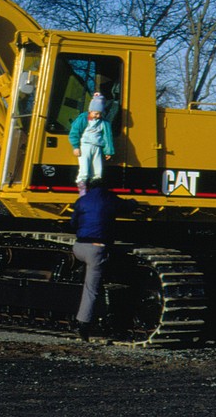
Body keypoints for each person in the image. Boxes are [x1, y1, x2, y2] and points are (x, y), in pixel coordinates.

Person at [70, 179, 137, 342]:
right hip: (96, 249)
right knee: (91, 289)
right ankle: (83, 325)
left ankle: (79, 273)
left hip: (78, 248)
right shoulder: (109, 199)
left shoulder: (82, 200)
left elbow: (73, 223)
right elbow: (128, 207)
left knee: (89, 275)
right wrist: (134, 201)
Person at [68, 92, 114, 197]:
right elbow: (74, 133)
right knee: (84, 170)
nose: (97, 116)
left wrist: (108, 151)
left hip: (97, 147)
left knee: (98, 171)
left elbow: (107, 138)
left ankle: (94, 192)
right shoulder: (82, 119)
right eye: (95, 113)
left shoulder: (104, 123)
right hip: (85, 146)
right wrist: (76, 147)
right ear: (90, 111)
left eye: (99, 114)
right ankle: (82, 193)